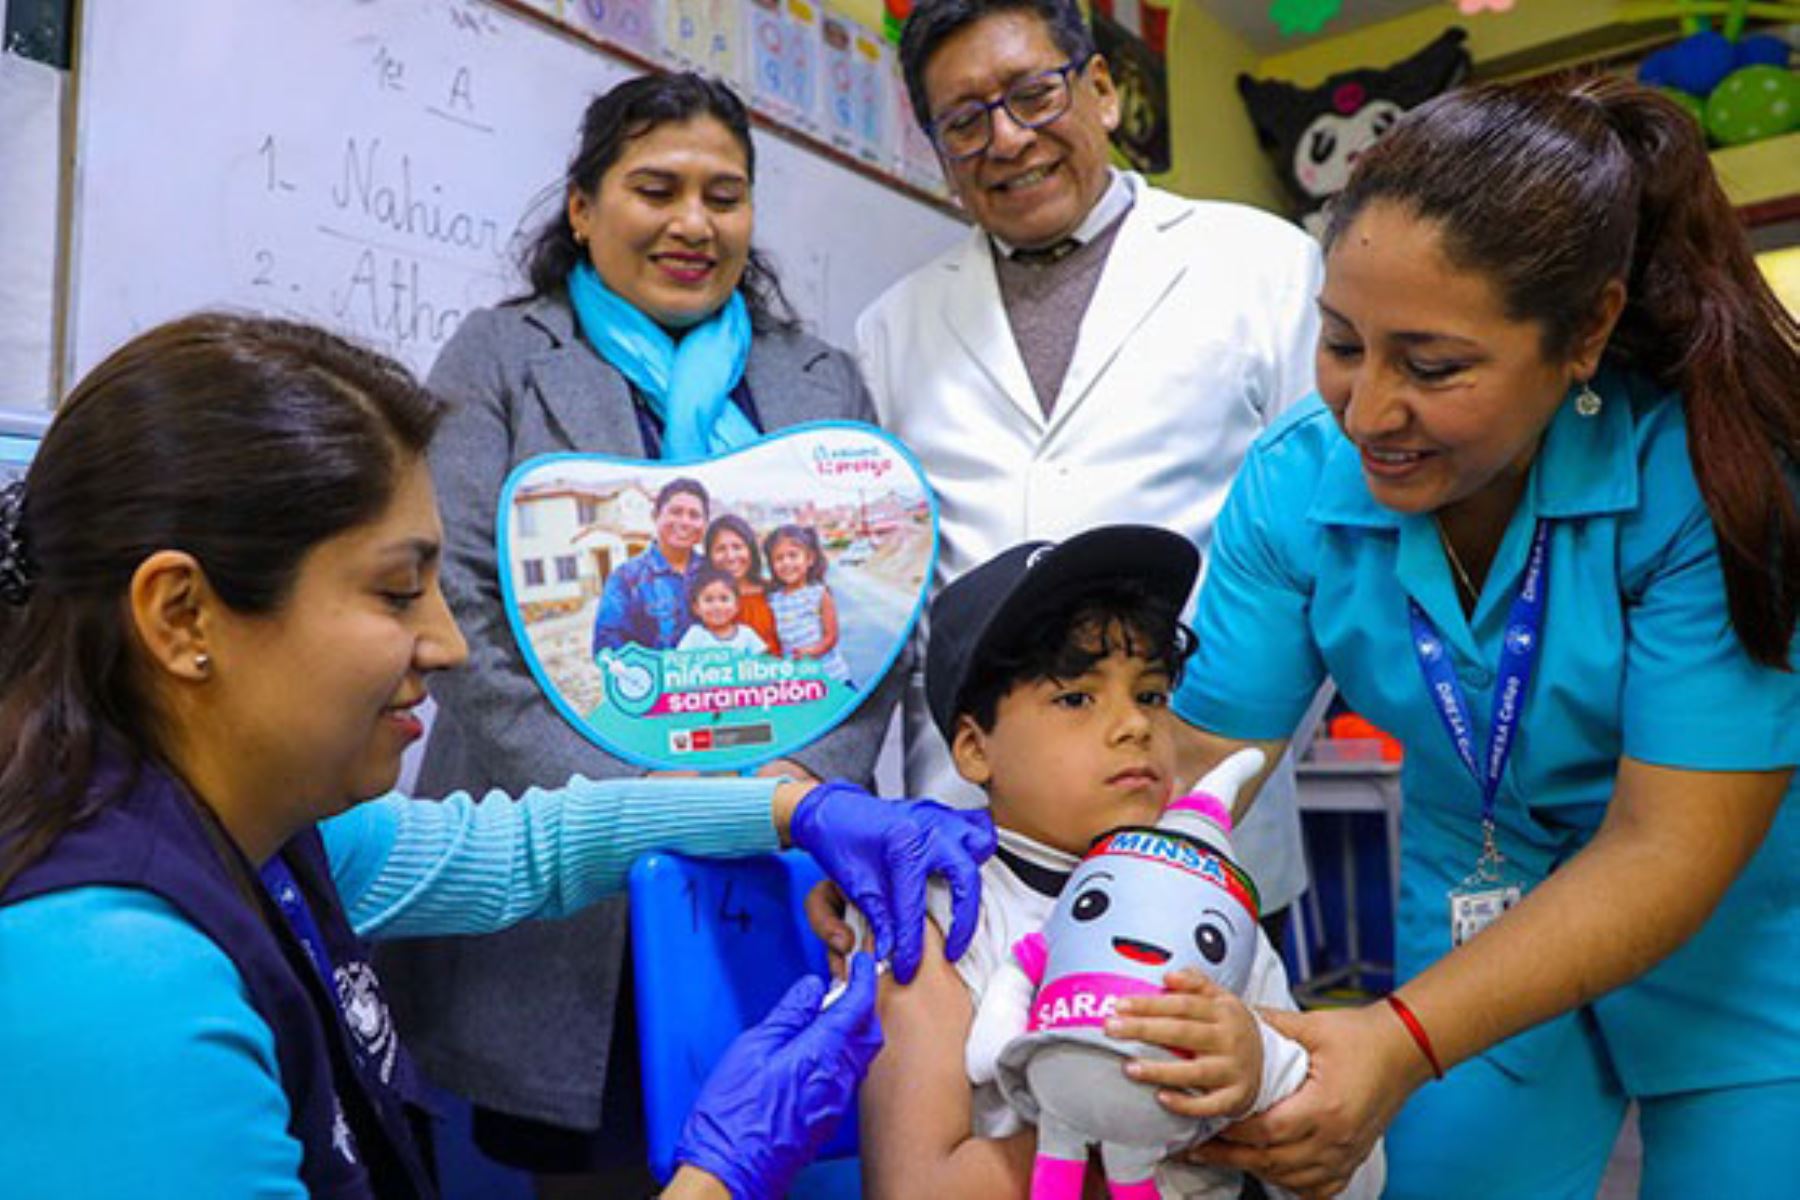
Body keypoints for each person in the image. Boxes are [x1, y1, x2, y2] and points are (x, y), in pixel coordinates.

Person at [0, 314, 996, 1199]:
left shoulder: (260, 840)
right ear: (182, 616)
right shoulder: (119, 993)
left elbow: (531, 849)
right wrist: (719, 1180)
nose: (449, 643)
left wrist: (795, 811)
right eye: (397, 593)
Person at [1169, 77, 1800, 1200]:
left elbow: (1666, 847)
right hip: (1476, 894)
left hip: (1741, 921)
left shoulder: (1709, 486)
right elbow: (1192, 777)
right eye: (1342, 343)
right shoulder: (1296, 487)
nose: (1366, 412)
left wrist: (1400, 1040)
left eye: (1433, 365)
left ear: (1586, 332)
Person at [374, 72, 909, 1191]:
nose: (692, 224)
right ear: (582, 207)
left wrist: (793, 790)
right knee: (591, 1169)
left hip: (772, 856)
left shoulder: (820, 383)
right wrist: (632, 801)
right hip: (557, 875)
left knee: (772, 1139)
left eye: (726, 195)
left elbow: (876, 615)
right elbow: (458, 595)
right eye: (654, 188)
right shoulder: (500, 358)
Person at [857, 0, 1321, 943]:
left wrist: (1237, 766)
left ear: (1102, 89)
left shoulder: (1263, 265)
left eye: (1035, 94)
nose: (1008, 138)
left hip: (1204, 824)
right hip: (976, 849)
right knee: (971, 1084)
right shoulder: (889, 330)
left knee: (1219, 1081)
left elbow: (1325, 552)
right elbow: (892, 605)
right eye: (965, 118)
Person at [845, 525, 1384, 1199]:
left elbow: (1353, 1176)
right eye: (1076, 697)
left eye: (1152, 695)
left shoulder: (1213, 904)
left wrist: (1260, 1075)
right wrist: (1146, 1119)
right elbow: (915, 1188)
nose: (1134, 725)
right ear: (975, 749)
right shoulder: (935, 915)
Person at [592, 477, 710, 654]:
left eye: (694, 515)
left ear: (705, 524)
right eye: (676, 512)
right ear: (655, 516)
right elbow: (607, 646)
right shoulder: (626, 578)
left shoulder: (713, 572)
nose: (684, 522)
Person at [765, 523, 853, 685]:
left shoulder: (819, 594)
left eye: (793, 555)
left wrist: (813, 651)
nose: (786, 563)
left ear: (809, 559)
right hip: (800, 681)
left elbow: (831, 636)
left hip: (831, 676)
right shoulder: (773, 600)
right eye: (779, 558)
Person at [705, 512, 782, 653]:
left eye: (737, 547)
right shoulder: (705, 600)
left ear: (751, 550)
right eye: (720, 549)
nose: (730, 556)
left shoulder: (774, 592)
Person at [676, 564, 768, 654]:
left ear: (737, 605)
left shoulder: (746, 634)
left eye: (724, 599)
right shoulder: (695, 635)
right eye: (708, 600)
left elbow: (763, 661)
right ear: (696, 608)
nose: (717, 606)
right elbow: (679, 660)